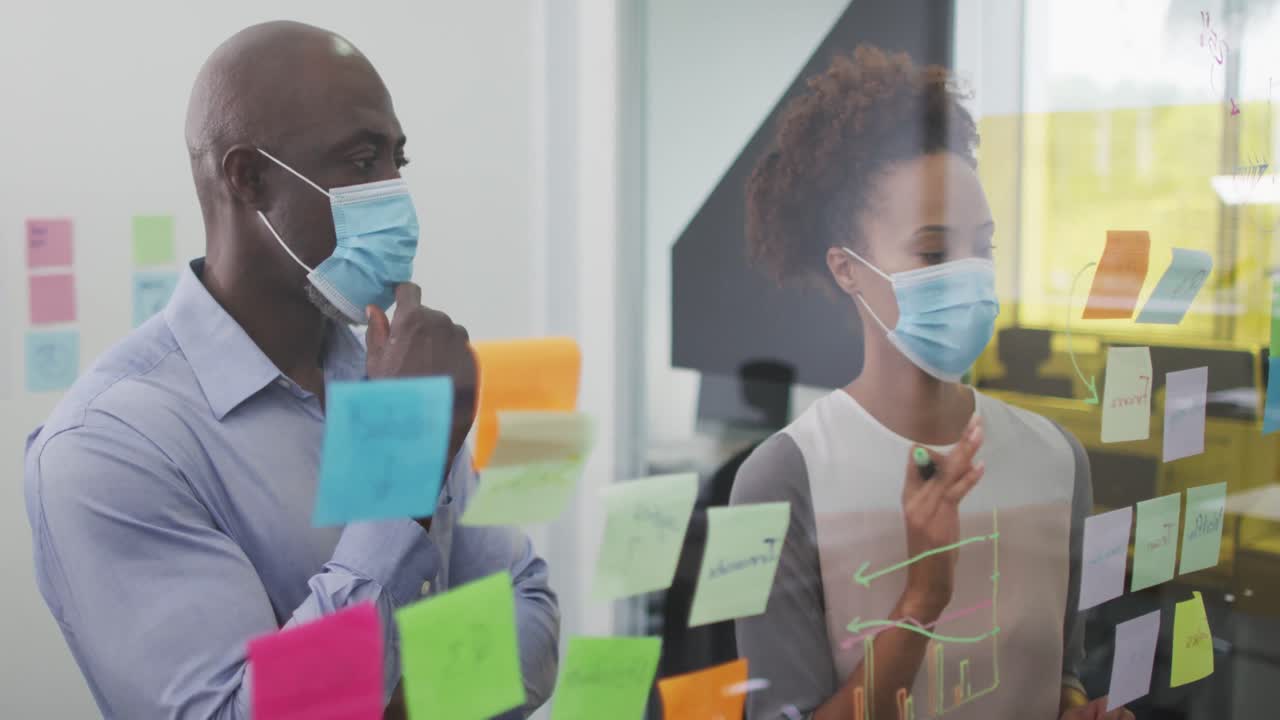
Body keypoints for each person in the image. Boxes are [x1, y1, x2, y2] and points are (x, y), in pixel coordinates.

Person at [23, 21, 558, 719]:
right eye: (362, 161)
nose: (396, 193)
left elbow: (533, 628)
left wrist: (373, 699)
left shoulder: (387, 372)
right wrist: (402, 465)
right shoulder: (109, 445)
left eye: (398, 158)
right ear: (247, 178)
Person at [731, 46, 1132, 720]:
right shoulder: (780, 481)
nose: (970, 273)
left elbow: (1057, 671)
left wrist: (1076, 709)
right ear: (847, 269)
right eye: (933, 251)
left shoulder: (1059, 460)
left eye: (984, 246)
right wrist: (923, 597)